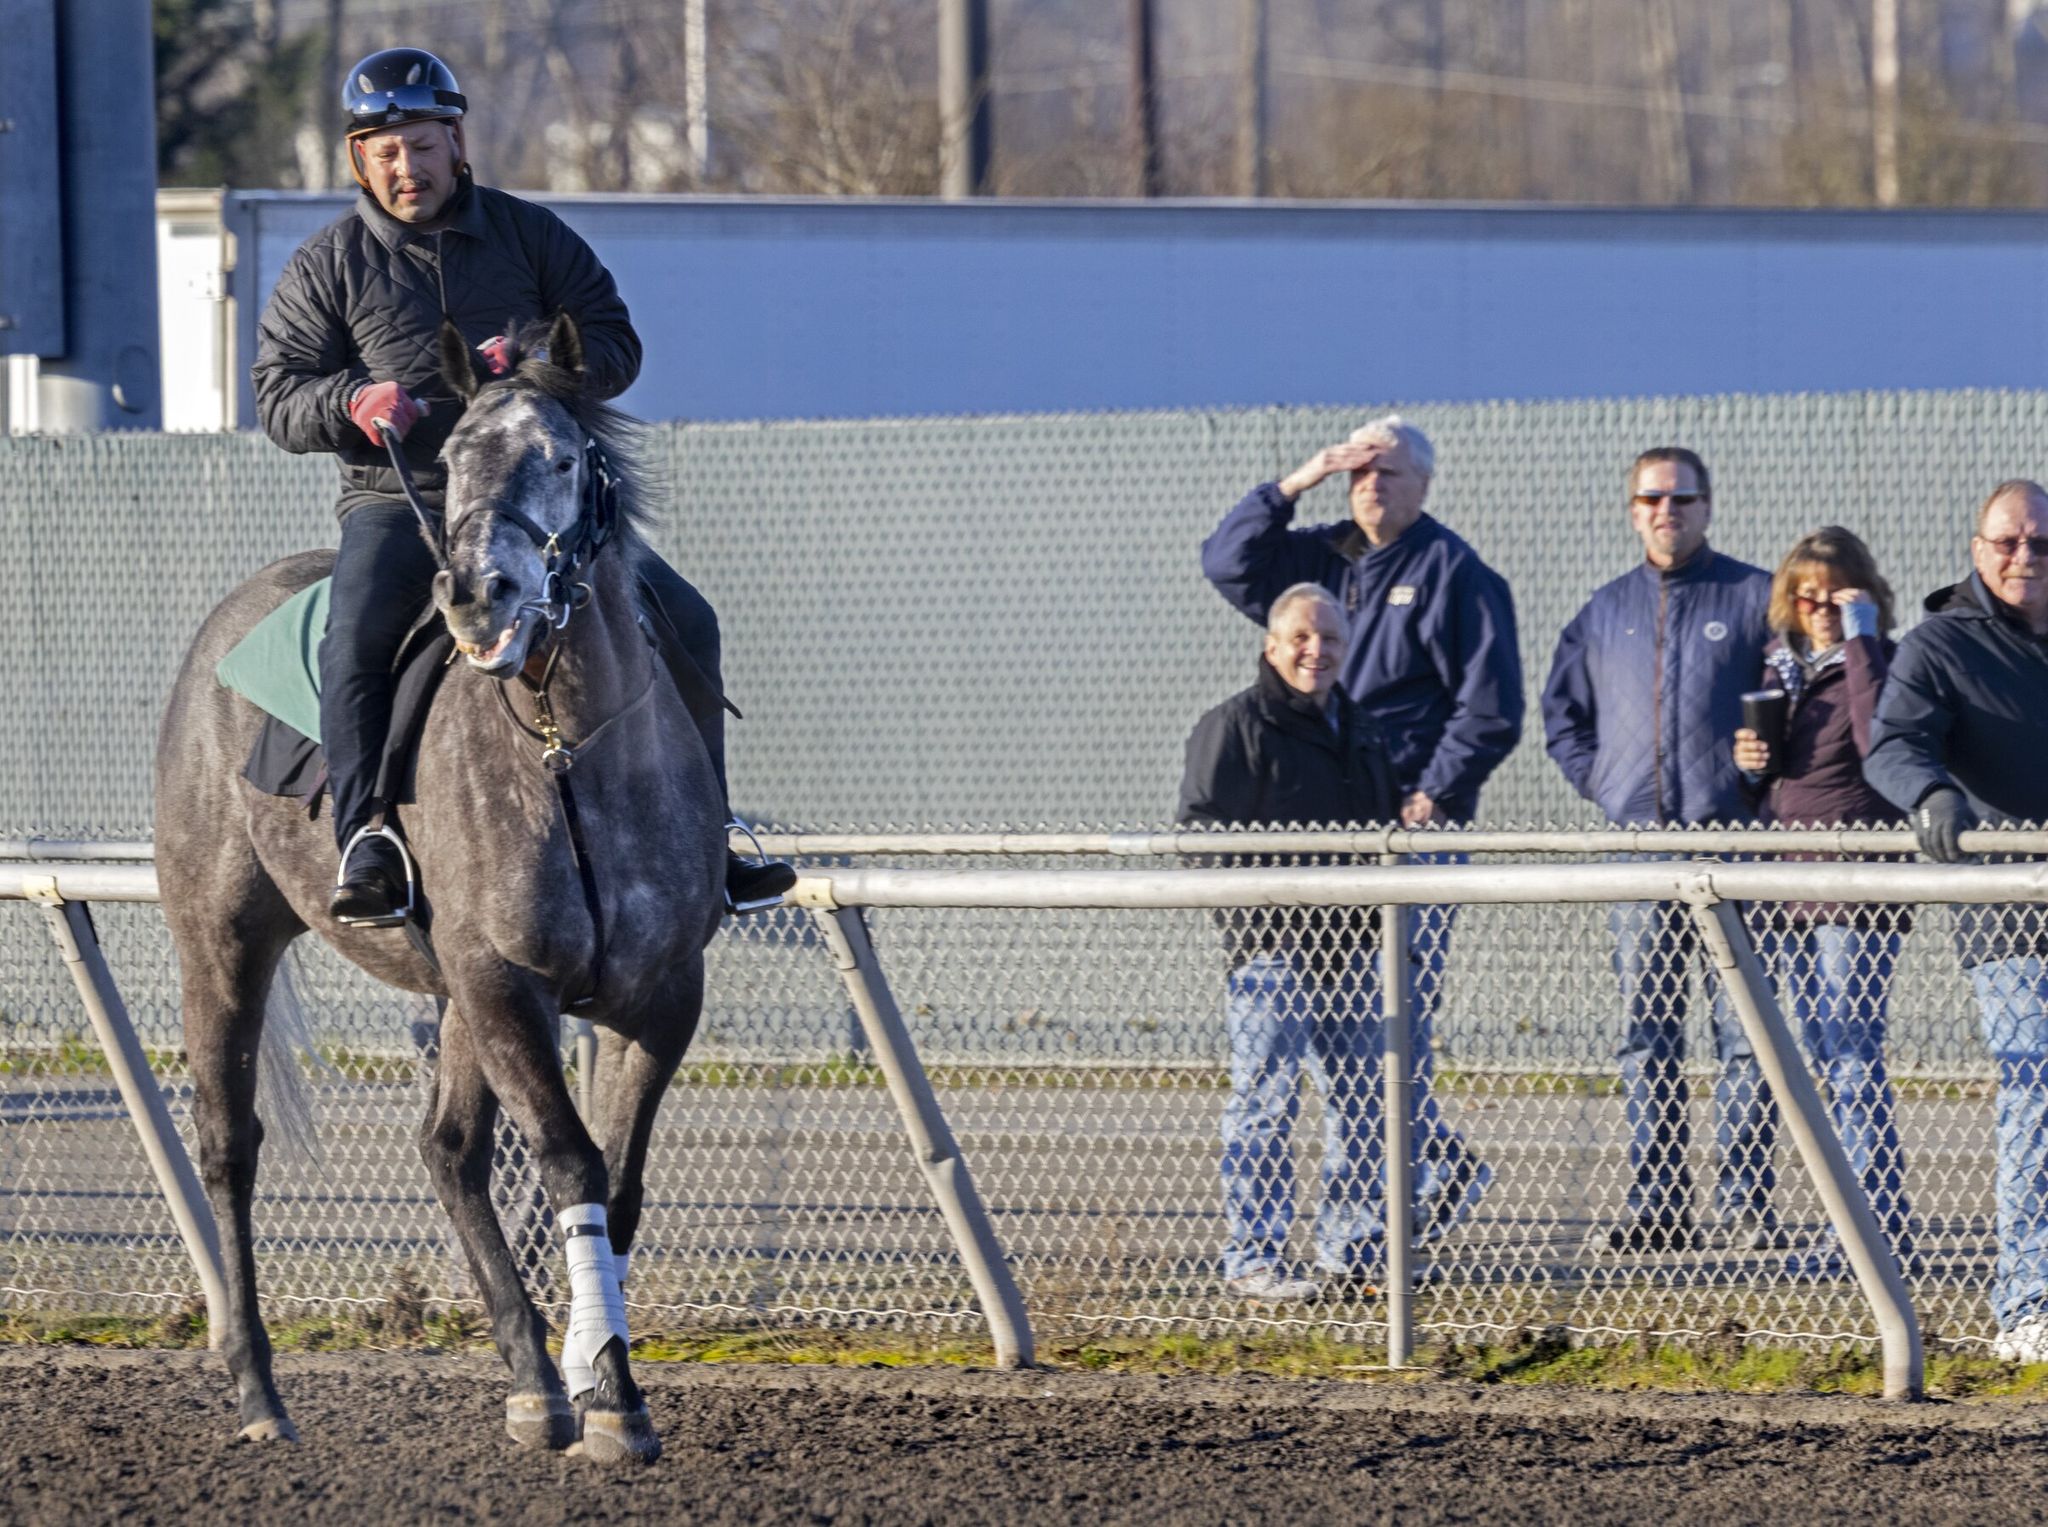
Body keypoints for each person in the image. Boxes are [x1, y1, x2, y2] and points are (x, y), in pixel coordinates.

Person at [250, 46, 792, 924]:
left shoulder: (531, 233)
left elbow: (615, 343)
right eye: (384, 152)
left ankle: (713, 838)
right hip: (408, 503)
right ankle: (368, 838)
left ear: (456, 142)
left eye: (421, 146)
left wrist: (546, 355)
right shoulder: (326, 265)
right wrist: (351, 400)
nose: (405, 167)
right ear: (358, 160)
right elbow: (277, 397)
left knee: (690, 620)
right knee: (352, 641)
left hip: (539, 503)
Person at [1200, 414, 1521, 1237]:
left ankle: (1384, 1210)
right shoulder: (1325, 555)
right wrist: (1295, 482)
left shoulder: (1457, 574)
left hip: (1406, 837)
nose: (1372, 487)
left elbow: (1492, 709)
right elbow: (1228, 562)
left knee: (1386, 1027)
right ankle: (1432, 1165)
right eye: (1359, 474)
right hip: (1324, 835)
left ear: (1424, 484)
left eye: (1391, 473)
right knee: (1331, 1040)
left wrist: (1435, 795)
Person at [1178, 583, 1484, 1303]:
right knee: (1265, 1101)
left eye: (1331, 640)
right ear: (1272, 644)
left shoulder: (1363, 727)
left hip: (1353, 952)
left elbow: (1380, 838)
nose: (1316, 651)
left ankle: (1355, 1246)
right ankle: (1255, 1256)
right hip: (1273, 953)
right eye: (1302, 638)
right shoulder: (1235, 726)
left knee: (1365, 1103)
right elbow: (1198, 835)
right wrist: (1273, 899)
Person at [1541, 446, 1779, 1252]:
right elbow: (1562, 717)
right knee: (1647, 1030)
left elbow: (1789, 710)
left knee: (1743, 1031)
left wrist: (1758, 781)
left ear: (1708, 506)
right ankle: (1658, 1204)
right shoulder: (1604, 612)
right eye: (1651, 498)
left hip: (1735, 849)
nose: (1665, 511)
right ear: (1632, 508)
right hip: (1638, 851)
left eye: (1681, 498)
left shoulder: (1752, 599)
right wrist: (1607, 784)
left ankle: (1746, 1202)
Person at [1865, 479, 2048, 1360]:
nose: (2025, 558)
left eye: (2041, 544)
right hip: (2009, 907)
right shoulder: (1940, 643)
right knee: (2038, 1084)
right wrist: (1930, 793)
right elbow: (1895, 742)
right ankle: (2029, 1301)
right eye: (2008, 542)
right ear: (1977, 548)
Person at [1732, 527, 1915, 1276]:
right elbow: (1770, 784)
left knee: (1852, 1056)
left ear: (1863, 592)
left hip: (1853, 886)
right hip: (1787, 883)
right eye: (1807, 595)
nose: (1821, 609)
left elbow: (1880, 739)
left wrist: (1866, 636)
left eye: (1838, 594)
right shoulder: (1779, 668)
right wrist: (1746, 765)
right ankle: (1862, 1221)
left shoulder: (1882, 662)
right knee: (1820, 1055)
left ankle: (1873, 1228)